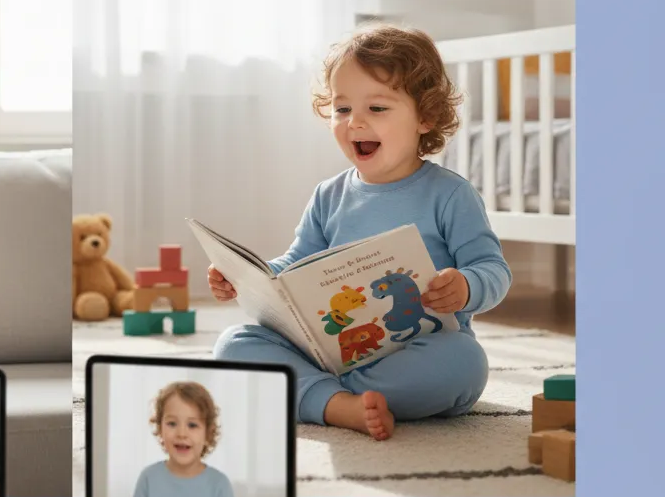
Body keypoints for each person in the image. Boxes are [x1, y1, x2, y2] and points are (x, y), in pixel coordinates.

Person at [211, 24, 510, 440]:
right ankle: (338, 404)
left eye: (377, 109)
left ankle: (318, 397)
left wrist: (466, 285)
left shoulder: (450, 194)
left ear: (425, 116)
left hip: (415, 351)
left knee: (464, 363)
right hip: (332, 348)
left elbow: (493, 269)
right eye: (342, 109)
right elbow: (296, 263)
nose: (355, 123)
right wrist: (247, 278)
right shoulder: (328, 195)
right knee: (233, 343)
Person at [127, 381, 242, 497]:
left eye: (192, 425)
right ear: (160, 429)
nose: (182, 433)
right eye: (172, 423)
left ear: (208, 433)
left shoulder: (219, 484)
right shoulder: (148, 478)